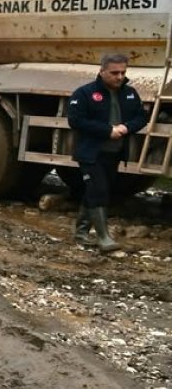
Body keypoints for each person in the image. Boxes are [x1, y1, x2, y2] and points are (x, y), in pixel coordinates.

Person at [67, 53, 147, 252]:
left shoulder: (130, 93)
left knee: (96, 189)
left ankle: (82, 232)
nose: (119, 77)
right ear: (102, 71)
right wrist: (107, 130)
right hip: (90, 152)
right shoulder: (84, 93)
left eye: (123, 72)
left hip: (115, 152)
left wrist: (127, 127)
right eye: (114, 73)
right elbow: (76, 120)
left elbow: (141, 117)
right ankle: (103, 237)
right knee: (99, 189)